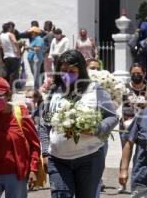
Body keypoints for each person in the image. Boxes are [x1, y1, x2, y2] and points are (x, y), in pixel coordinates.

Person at [39, 50, 119, 198]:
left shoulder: (95, 90)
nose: (66, 74)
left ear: (80, 71)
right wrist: (45, 152)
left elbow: (112, 116)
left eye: (71, 71)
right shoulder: (54, 92)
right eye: (63, 70)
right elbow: (45, 124)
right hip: (57, 159)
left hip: (89, 159)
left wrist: (97, 129)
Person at [118, 63, 147, 193]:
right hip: (126, 126)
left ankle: (137, 182)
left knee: (140, 155)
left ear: (144, 74)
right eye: (133, 74)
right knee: (126, 154)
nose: (136, 76)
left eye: (139, 74)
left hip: (143, 127)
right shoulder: (124, 88)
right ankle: (122, 183)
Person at [0, 22, 21, 88]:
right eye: (11, 27)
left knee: (8, 73)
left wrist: (2, 46)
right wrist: (18, 52)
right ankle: (12, 88)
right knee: (14, 73)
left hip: (6, 57)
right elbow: (15, 42)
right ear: (9, 28)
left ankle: (7, 87)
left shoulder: (1, 35)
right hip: (13, 56)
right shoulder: (10, 34)